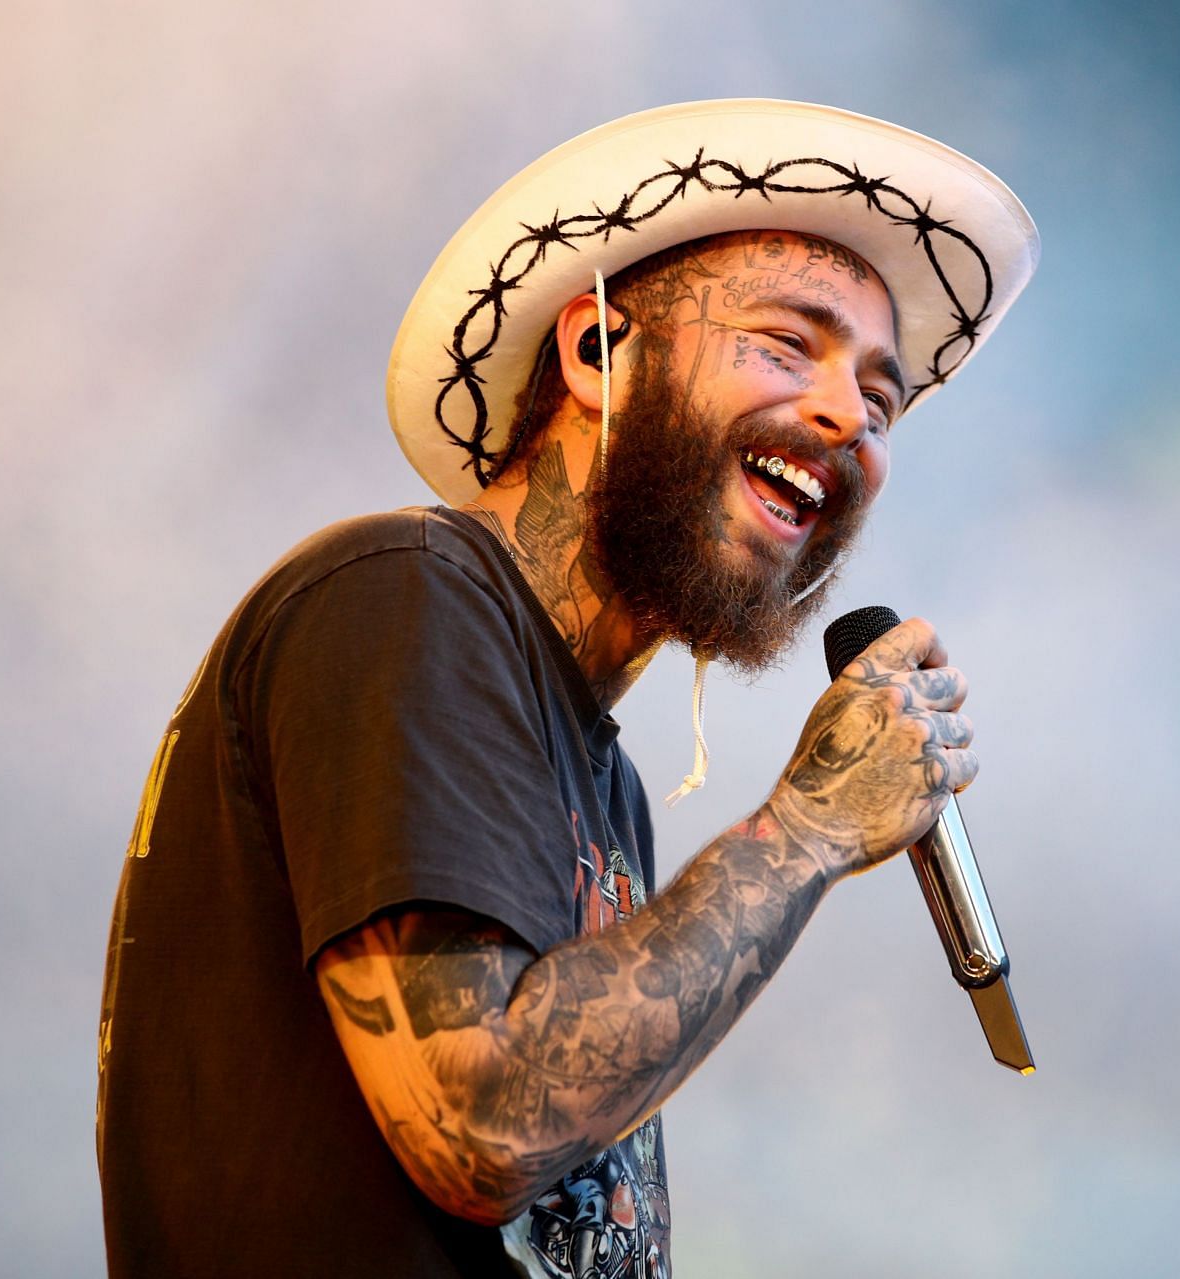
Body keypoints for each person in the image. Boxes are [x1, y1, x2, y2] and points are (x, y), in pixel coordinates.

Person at [95, 99, 1038, 1278]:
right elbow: (480, 1127)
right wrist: (807, 828)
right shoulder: (402, 596)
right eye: (789, 345)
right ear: (597, 352)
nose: (848, 414)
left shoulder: (603, 779)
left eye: (883, 399)